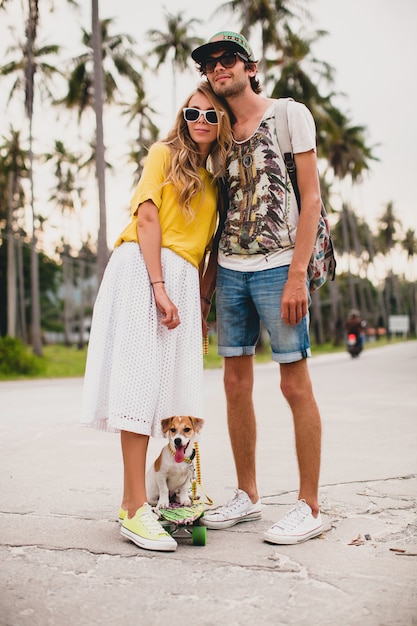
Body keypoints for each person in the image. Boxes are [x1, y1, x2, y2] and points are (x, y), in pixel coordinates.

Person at [80, 81, 232, 552]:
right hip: (146, 272)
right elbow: (147, 218)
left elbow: (208, 254)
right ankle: (132, 508)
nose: (201, 121)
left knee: (168, 397)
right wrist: (159, 286)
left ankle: (157, 500)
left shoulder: (215, 182)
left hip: (183, 285)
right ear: (182, 119)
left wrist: (199, 306)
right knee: (138, 390)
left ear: (222, 121)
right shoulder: (162, 155)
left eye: (211, 115)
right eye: (193, 114)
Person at [191, 32, 324, 544]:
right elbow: (218, 213)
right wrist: (206, 286)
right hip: (229, 269)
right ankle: (247, 496)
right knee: (233, 384)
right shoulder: (216, 131)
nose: (219, 68)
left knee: (294, 384)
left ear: (250, 66)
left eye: (228, 60)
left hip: (277, 267)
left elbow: (310, 199)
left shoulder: (289, 113)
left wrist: (297, 274)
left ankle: (310, 506)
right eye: (211, 64)